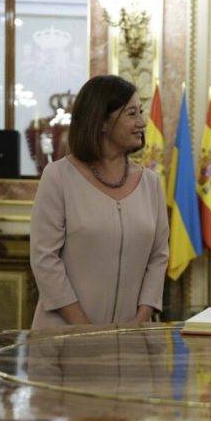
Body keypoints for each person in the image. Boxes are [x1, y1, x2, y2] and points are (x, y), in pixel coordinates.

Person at [29, 75, 169, 329]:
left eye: (141, 112)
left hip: (130, 341)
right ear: (102, 122)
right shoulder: (59, 176)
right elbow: (44, 258)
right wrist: (84, 328)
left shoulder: (151, 183)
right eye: (131, 113)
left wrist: (141, 318)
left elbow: (158, 258)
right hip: (64, 336)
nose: (141, 122)